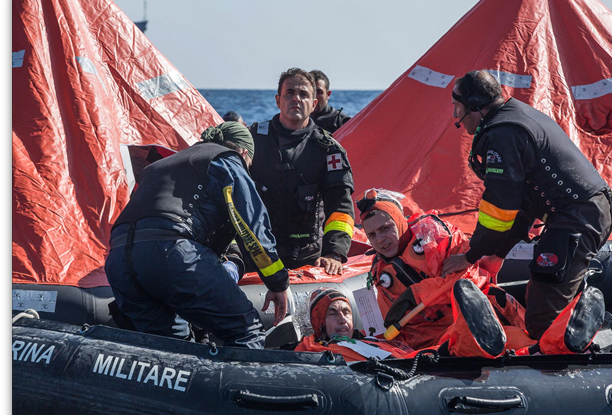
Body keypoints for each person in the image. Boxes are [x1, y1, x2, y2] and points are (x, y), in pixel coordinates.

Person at [443, 70, 612, 350]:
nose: (457, 117)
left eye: (457, 108)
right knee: (542, 291)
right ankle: (569, 334)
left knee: (542, 315)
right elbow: (523, 204)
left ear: (474, 105)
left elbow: (501, 206)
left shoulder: (502, 134)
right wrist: (497, 254)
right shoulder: (513, 117)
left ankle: (560, 364)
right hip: (581, 212)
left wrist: (471, 255)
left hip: (577, 216)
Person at [105, 121, 290, 349]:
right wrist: (277, 282)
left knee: (170, 342)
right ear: (243, 152)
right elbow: (251, 226)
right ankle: (242, 384)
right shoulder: (227, 160)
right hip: (170, 254)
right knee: (245, 329)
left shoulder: (162, 165)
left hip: (118, 261)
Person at [358, 188, 534, 357]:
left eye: (385, 228)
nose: (380, 239)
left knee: (516, 340)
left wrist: (416, 294)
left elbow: (468, 278)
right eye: (372, 235)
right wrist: (366, 338)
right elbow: (386, 325)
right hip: (433, 340)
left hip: (476, 317)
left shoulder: (433, 234)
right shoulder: (378, 271)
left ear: (399, 220)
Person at [247, 67, 355, 275]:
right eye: (290, 93)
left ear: (314, 104)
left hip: (305, 256)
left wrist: (334, 253)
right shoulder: (251, 140)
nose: (296, 98)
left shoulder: (328, 150)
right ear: (278, 100)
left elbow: (340, 208)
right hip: (254, 251)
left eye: (303, 94)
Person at [294, 287, 413, 363]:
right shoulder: (307, 352)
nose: (342, 320)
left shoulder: (378, 340)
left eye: (346, 312)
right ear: (319, 322)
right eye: (332, 313)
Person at [308, 69, 351, 135]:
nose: (314, 97)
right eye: (310, 92)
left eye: (319, 92)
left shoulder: (343, 123)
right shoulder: (295, 121)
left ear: (328, 94)